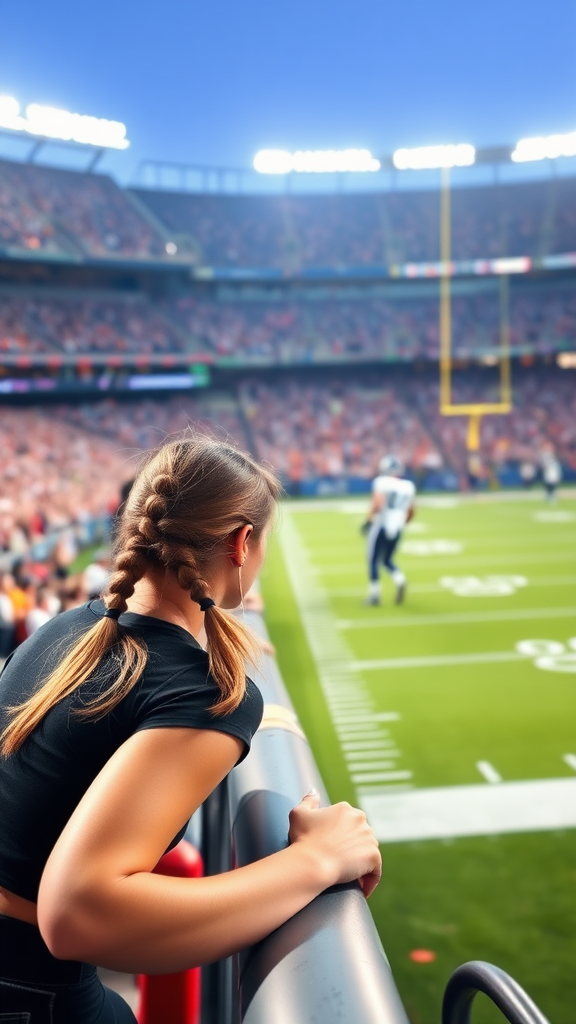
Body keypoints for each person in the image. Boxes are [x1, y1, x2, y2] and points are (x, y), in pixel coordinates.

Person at [0, 433, 381, 1024]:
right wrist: (319, 860)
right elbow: (74, 915)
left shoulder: (71, 628)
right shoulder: (202, 695)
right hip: (27, 988)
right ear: (242, 542)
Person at [362, 454, 416, 606]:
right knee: (387, 560)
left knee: (373, 560)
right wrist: (401, 523)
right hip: (398, 527)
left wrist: (368, 521)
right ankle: (400, 579)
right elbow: (411, 511)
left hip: (381, 525)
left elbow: (378, 504)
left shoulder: (381, 482)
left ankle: (374, 596)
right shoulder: (408, 486)